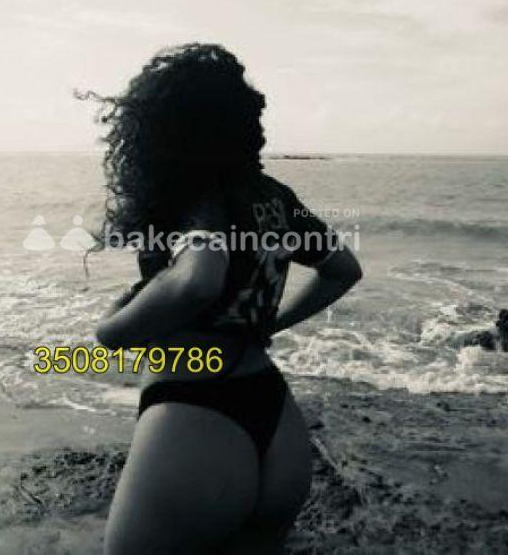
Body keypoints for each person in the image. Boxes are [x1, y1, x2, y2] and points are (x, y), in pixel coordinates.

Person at [92, 43, 363, 554]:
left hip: (196, 413)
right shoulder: (274, 197)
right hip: (275, 419)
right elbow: (343, 269)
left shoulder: (196, 196)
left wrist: (111, 332)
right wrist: (267, 324)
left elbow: (198, 279)